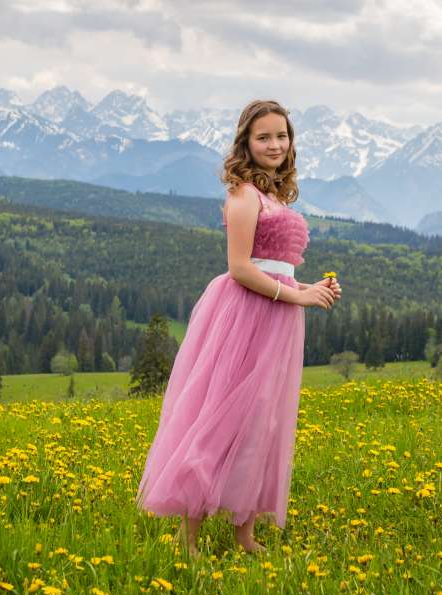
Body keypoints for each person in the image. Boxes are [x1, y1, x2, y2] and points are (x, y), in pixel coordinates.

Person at [135, 99, 341, 558]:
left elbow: (277, 268)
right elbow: (241, 269)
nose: (274, 144)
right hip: (245, 315)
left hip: (278, 315)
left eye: (281, 136)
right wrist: (297, 295)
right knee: (220, 416)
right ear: (246, 143)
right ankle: (188, 540)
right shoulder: (244, 194)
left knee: (263, 422)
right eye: (263, 137)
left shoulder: (275, 196)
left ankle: (244, 532)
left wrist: (310, 288)